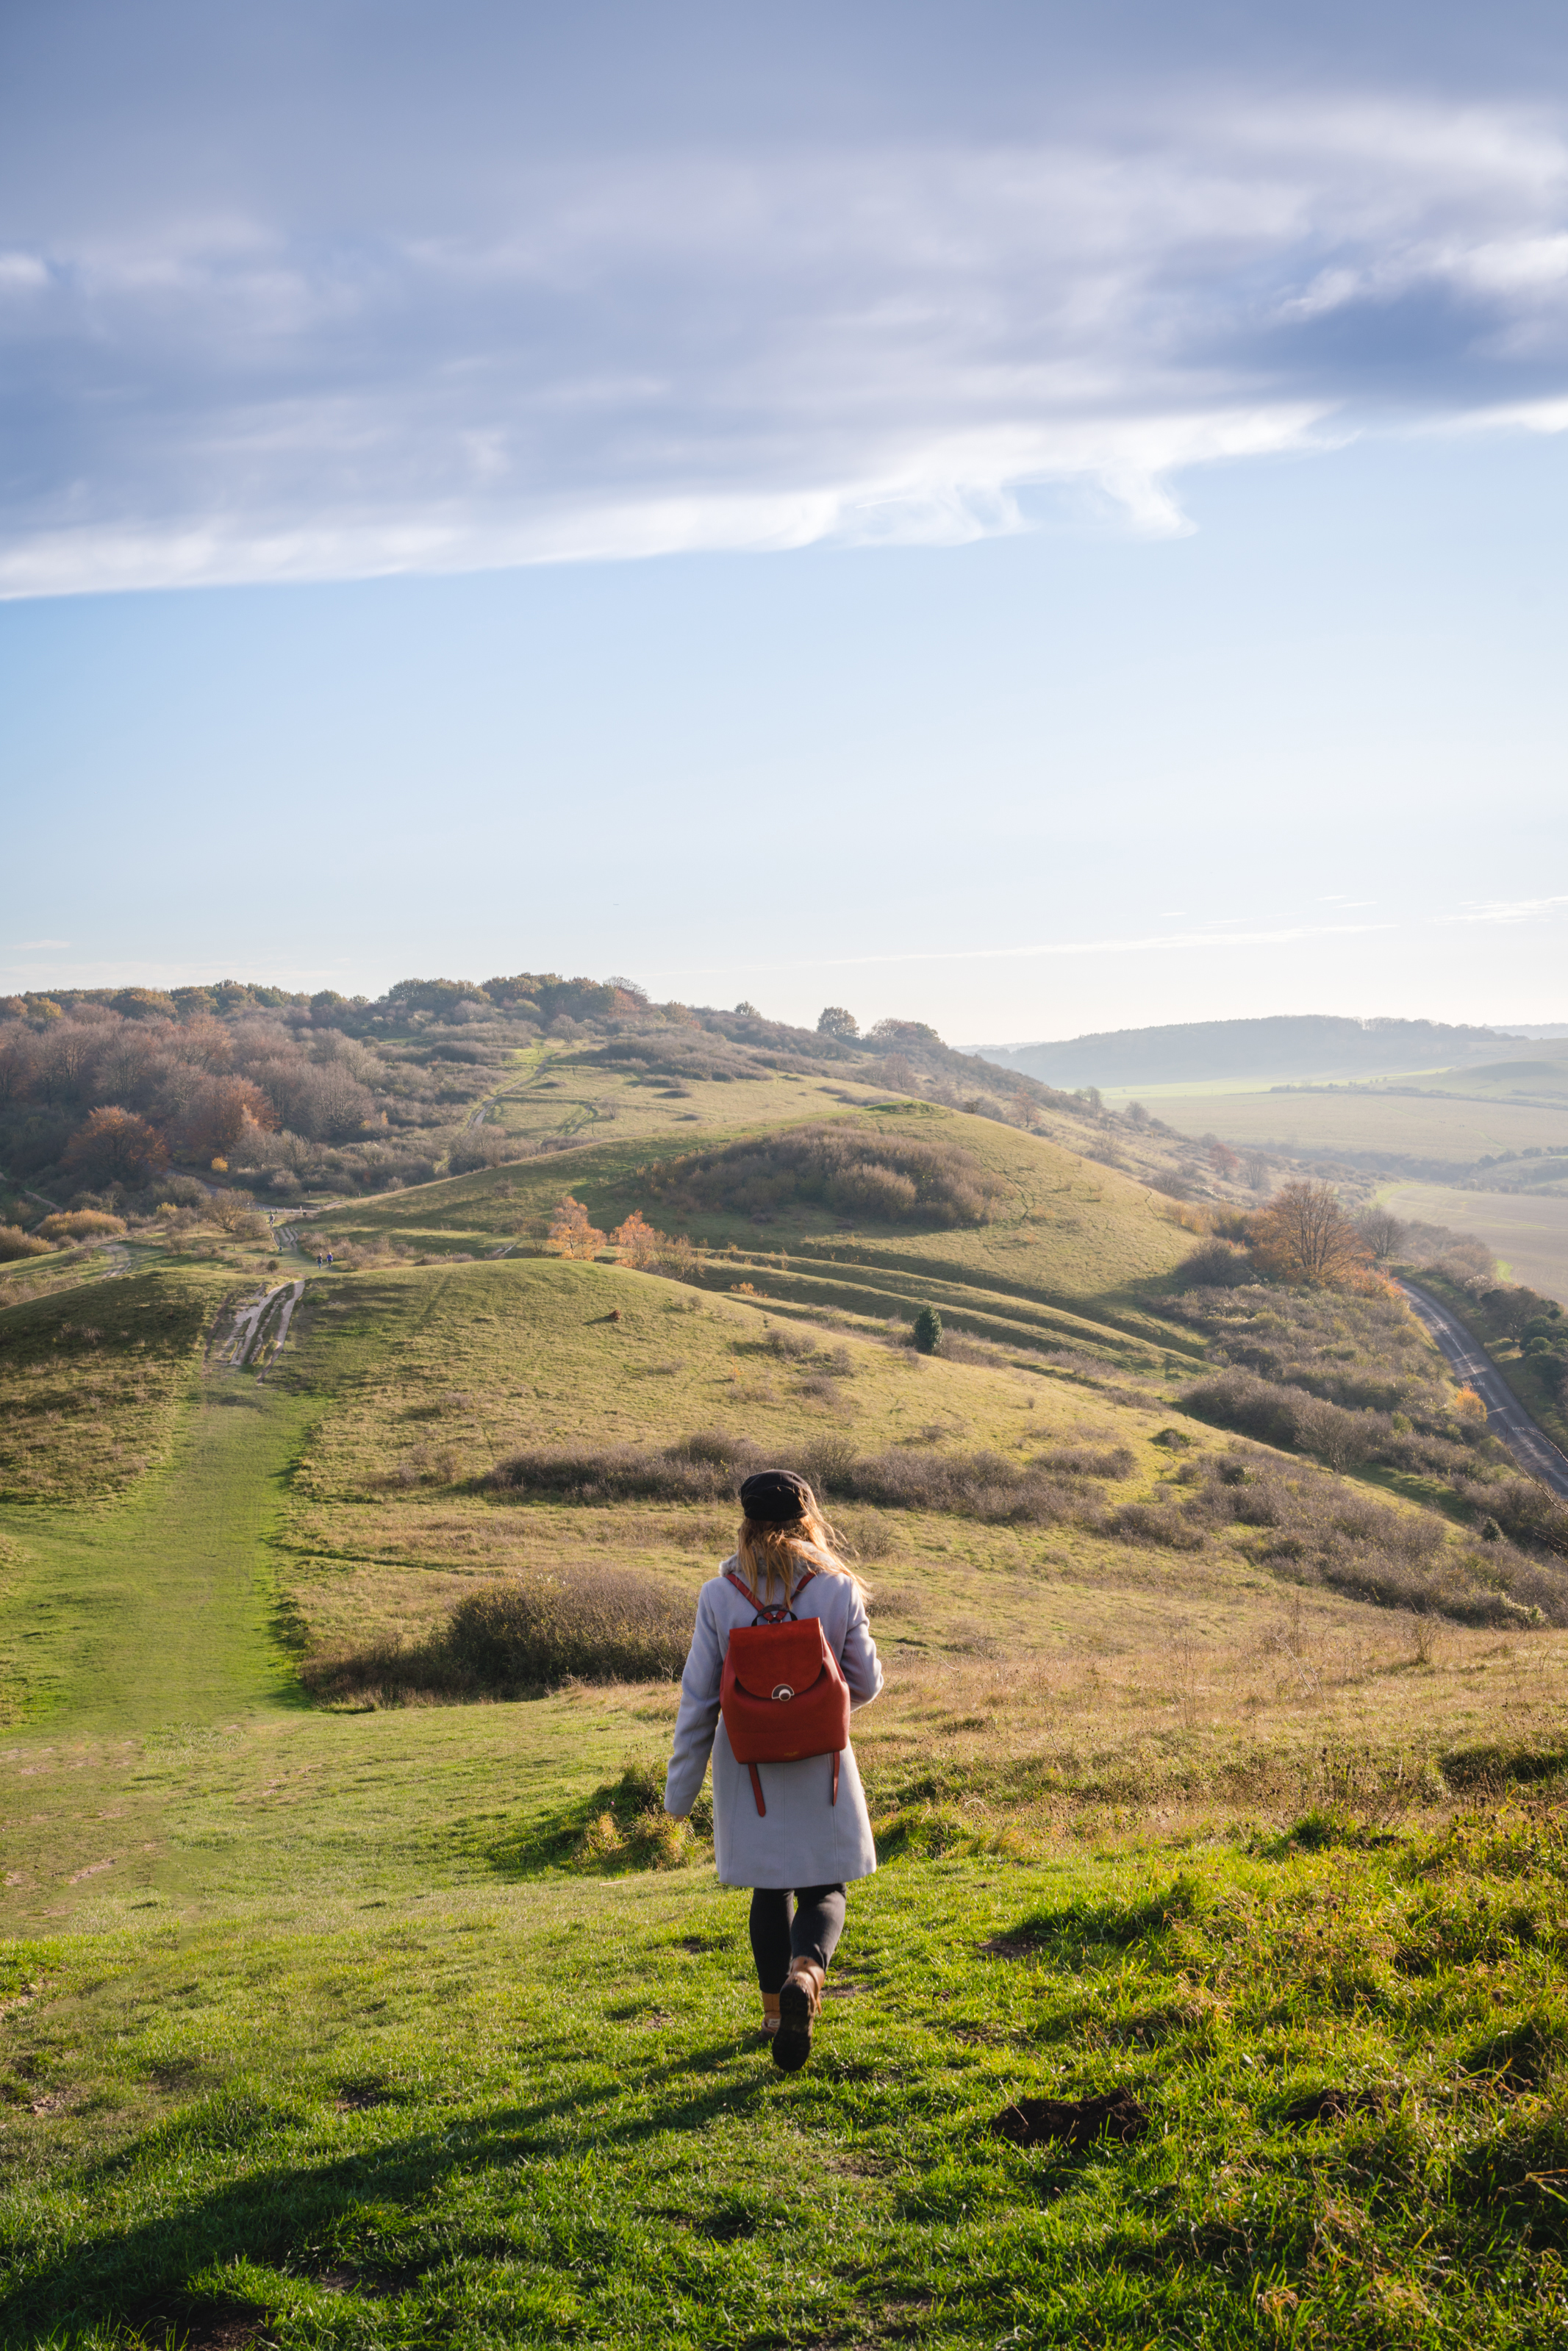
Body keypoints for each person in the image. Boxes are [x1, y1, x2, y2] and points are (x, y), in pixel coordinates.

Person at [664, 1469, 883, 2072]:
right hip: (821, 1760)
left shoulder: (719, 1595)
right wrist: (812, 1708)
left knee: (769, 1886)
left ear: (747, 1523)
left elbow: (698, 1699)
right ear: (806, 1518)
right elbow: (865, 1681)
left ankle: (770, 2012)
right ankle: (807, 1977)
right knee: (824, 1885)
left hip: (748, 1767)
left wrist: (678, 1798)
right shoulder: (837, 1587)